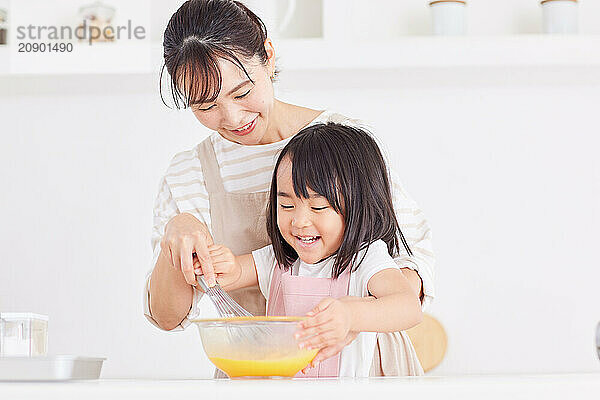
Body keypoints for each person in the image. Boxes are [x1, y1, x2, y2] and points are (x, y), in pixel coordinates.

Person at [143, 0, 435, 375]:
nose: (232, 119)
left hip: (359, 368)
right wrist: (179, 230)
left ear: (267, 56)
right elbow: (169, 316)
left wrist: (354, 313)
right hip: (258, 372)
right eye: (206, 106)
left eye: (241, 92)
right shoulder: (190, 172)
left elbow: (413, 262)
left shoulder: (342, 145)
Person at [200, 122, 424, 377]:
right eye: (286, 206)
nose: (299, 222)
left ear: (359, 206)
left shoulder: (365, 258)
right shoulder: (278, 260)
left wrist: (351, 315)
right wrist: (220, 265)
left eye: (318, 207)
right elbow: (235, 273)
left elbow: (408, 307)